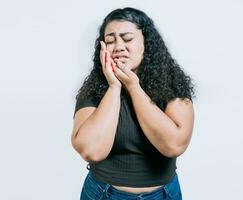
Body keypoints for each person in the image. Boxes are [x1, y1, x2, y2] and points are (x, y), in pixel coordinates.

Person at [71, 7, 195, 200]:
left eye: (127, 39)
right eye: (110, 41)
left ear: (146, 42)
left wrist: (133, 87)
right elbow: (91, 150)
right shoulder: (93, 89)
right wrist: (114, 86)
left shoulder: (172, 84)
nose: (118, 46)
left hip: (163, 195)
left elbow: (173, 145)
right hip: (104, 194)